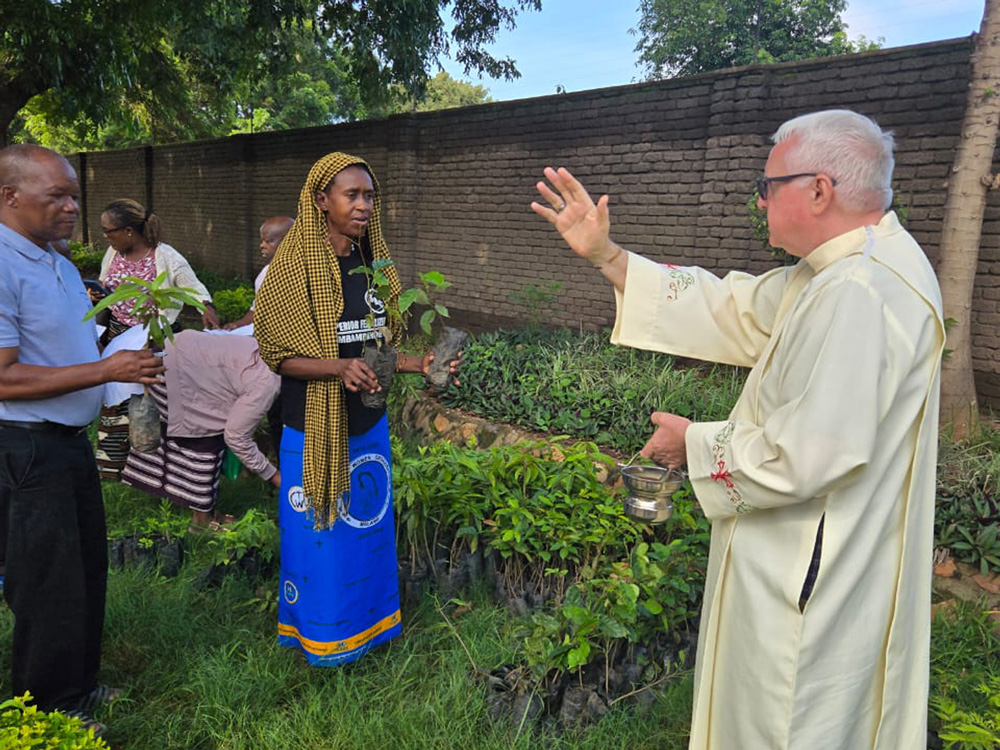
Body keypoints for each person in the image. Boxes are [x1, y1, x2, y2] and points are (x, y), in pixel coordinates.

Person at [532, 110, 945, 749]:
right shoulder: (846, 268)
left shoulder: (860, 290)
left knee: (784, 725)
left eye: (769, 182)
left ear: (818, 190)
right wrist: (606, 256)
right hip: (820, 554)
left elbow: (807, 456)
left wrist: (691, 442)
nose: (760, 197)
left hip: (811, 575)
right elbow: (734, 307)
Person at [254, 152, 459, 667]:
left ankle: (371, 628)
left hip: (367, 426)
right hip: (315, 428)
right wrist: (336, 368)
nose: (364, 205)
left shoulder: (371, 266)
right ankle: (323, 638)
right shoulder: (292, 267)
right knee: (320, 537)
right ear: (321, 200)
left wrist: (420, 363)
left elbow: (373, 346)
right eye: (352, 194)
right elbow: (277, 352)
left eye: (370, 195)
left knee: (365, 531)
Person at [0, 144, 164, 735]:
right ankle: (47, 711)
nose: (73, 208)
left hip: (68, 438)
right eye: (58, 197)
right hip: (23, 447)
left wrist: (120, 355)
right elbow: (3, 375)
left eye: (75, 195)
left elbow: (67, 349)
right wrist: (104, 372)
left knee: (87, 567)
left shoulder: (58, 262)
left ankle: (79, 687)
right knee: (47, 581)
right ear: (9, 196)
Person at [94, 198, 219, 482]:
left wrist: (207, 309)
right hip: (118, 336)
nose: (105, 236)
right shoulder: (113, 255)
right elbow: (104, 292)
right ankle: (113, 469)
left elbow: (195, 289)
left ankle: (159, 472)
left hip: (157, 338)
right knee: (115, 402)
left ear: (128, 231)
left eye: (108, 230)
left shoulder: (166, 256)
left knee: (158, 403)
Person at [121, 329, 281, 532]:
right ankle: (201, 522)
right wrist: (274, 476)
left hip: (177, 348)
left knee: (204, 432)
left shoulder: (268, 346)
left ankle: (204, 512)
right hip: (177, 372)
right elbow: (236, 437)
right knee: (205, 438)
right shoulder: (268, 383)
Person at [223, 215, 294, 331]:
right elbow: (257, 310)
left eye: (268, 241)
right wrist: (238, 325)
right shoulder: (265, 274)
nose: (262, 245)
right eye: (262, 241)